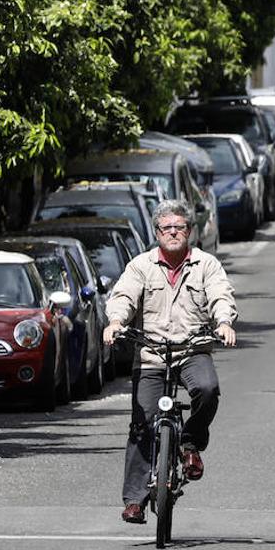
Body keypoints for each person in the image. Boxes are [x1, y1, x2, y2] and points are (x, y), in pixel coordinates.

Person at [102, 199, 237, 524]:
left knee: (207, 388)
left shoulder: (206, 265)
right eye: (167, 228)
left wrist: (224, 322)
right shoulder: (140, 266)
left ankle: (190, 443)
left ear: (189, 231)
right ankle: (135, 499)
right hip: (150, 352)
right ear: (157, 232)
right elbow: (124, 296)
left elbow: (221, 294)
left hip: (192, 350)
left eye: (179, 227)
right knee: (141, 424)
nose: (173, 233)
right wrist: (116, 322)